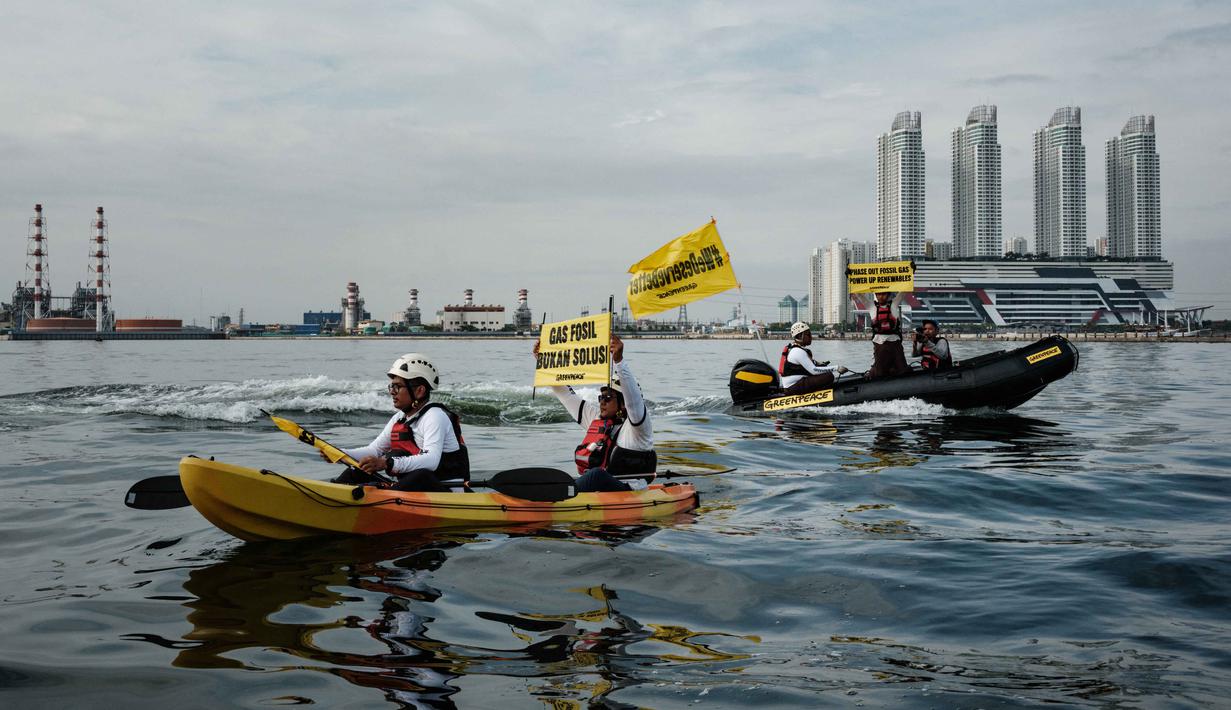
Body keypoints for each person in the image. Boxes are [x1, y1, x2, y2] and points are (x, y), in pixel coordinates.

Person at [329, 353, 470, 491]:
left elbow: (431, 461)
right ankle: (332, 495)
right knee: (358, 470)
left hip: (446, 494)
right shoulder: (399, 418)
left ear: (420, 391)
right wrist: (339, 454)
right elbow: (374, 451)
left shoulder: (435, 416)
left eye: (398, 387)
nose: (392, 392)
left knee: (421, 475)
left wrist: (386, 463)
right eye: (392, 387)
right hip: (413, 490)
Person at [535, 334, 655, 492]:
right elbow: (566, 395)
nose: (602, 402)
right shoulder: (596, 419)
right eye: (601, 397)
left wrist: (619, 361)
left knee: (596, 475)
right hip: (601, 490)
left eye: (608, 397)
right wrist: (544, 362)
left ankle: (558, 497)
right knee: (564, 475)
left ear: (623, 404)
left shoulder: (639, 427)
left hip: (629, 491)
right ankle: (550, 493)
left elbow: (634, 399)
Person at [779, 322, 849, 395]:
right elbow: (814, 370)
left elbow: (805, 365)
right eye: (808, 334)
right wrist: (836, 368)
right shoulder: (797, 351)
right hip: (793, 388)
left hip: (795, 385)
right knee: (829, 376)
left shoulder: (795, 348)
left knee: (824, 372)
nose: (811, 337)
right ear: (800, 336)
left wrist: (819, 363)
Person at [868, 291, 910, 378]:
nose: (881, 296)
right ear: (876, 295)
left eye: (883, 294)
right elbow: (859, 296)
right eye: (878, 294)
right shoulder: (871, 307)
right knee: (880, 372)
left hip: (895, 342)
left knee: (902, 369)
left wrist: (910, 279)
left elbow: (903, 292)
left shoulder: (894, 305)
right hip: (879, 343)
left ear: (888, 295)